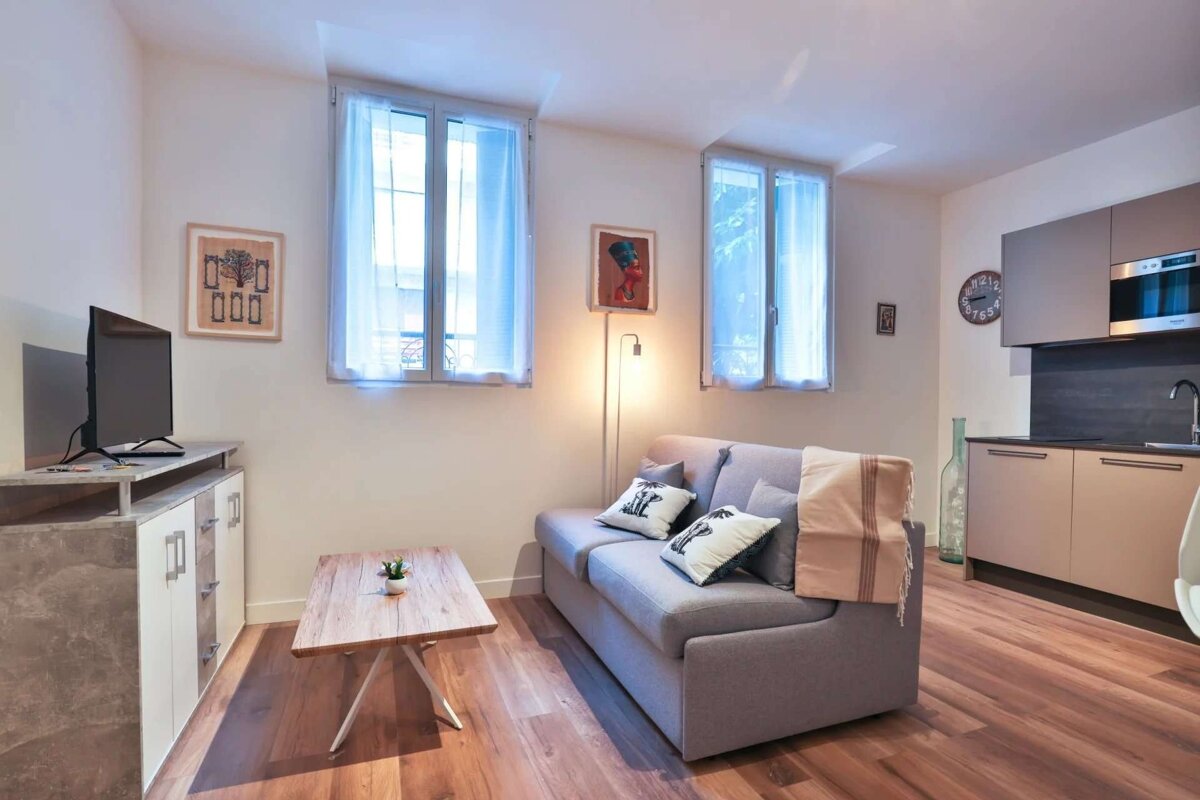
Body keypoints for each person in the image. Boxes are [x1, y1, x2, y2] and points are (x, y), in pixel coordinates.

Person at [608, 240, 645, 307]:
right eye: (636, 268)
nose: (641, 272)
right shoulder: (620, 292)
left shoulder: (630, 291)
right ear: (626, 270)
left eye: (640, 268)